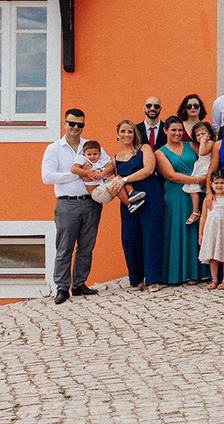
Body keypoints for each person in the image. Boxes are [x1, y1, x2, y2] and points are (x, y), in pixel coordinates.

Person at [42, 109, 107, 303]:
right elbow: (47, 176)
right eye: (72, 124)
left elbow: (106, 165)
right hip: (67, 202)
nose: (76, 128)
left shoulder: (90, 146)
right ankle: (62, 287)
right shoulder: (54, 148)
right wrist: (78, 173)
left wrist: (99, 173)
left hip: (91, 202)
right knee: (64, 247)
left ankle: (79, 284)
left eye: (80, 124)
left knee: (87, 245)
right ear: (64, 124)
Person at [112, 119, 165, 292]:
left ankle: (153, 279)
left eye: (130, 131)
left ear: (135, 134)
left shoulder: (144, 149)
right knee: (130, 238)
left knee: (151, 236)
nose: (127, 135)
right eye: (123, 131)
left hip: (150, 195)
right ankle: (136, 278)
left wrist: (124, 179)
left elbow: (148, 170)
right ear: (117, 135)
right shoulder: (115, 159)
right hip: (129, 201)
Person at [155, 116, 204, 286]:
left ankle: (196, 272)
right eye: (173, 130)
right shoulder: (159, 152)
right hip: (175, 195)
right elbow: (171, 175)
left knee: (195, 230)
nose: (177, 133)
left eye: (180, 130)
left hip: (196, 193)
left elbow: (204, 159)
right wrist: (198, 180)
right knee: (176, 230)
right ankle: (175, 273)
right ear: (165, 131)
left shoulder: (191, 145)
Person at [197, 170, 224, 290]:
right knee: (212, 255)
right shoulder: (207, 199)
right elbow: (203, 216)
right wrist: (200, 233)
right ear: (211, 184)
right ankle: (214, 279)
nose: (219, 186)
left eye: (222, 183)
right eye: (216, 183)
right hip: (211, 231)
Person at [183, 121, 214, 224]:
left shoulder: (210, 143)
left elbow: (202, 152)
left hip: (205, 168)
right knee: (193, 188)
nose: (201, 136)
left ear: (209, 134)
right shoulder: (201, 144)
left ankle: (197, 211)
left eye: (204, 133)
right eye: (198, 135)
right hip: (199, 168)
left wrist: (203, 141)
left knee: (196, 187)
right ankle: (195, 210)